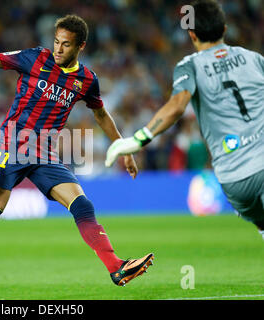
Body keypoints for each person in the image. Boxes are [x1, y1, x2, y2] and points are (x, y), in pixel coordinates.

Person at [0, 15, 154, 300]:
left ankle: (116, 267)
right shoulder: (34, 58)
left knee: (82, 204)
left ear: (80, 46)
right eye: (56, 42)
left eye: (65, 45)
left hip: (45, 153)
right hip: (12, 146)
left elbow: (101, 115)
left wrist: (123, 148)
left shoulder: (87, 80)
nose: (57, 49)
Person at [105, 0, 264, 238]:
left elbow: (177, 106)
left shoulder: (190, 66)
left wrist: (137, 140)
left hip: (235, 181)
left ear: (192, 35)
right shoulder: (253, 59)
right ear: (224, 29)